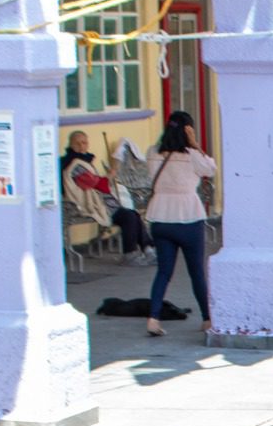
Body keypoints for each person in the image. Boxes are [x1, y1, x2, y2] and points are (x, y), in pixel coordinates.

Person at [143, 111, 215, 338]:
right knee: (196, 273)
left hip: (160, 217)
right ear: (188, 130)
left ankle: (153, 319)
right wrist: (195, 144)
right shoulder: (192, 155)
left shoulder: (152, 152)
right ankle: (206, 318)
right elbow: (210, 169)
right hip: (188, 218)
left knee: (163, 272)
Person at [59, 130, 149, 265]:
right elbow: (96, 184)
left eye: (84, 142)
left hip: (104, 203)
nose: (82, 146)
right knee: (128, 217)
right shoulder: (75, 164)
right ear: (71, 145)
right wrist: (111, 174)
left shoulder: (84, 161)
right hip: (91, 205)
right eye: (78, 143)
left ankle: (148, 249)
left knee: (133, 214)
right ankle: (130, 254)